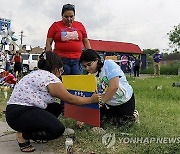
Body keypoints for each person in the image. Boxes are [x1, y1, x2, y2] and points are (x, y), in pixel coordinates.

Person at [6, 51, 101, 152]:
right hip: (22, 113)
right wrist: (91, 99)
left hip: (13, 113)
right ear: (55, 67)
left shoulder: (35, 73)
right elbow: (70, 99)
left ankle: (37, 132)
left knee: (55, 107)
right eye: (61, 70)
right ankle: (23, 135)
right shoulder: (50, 78)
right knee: (57, 130)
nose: (61, 73)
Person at [79, 49, 139, 127]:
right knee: (100, 121)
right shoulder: (90, 76)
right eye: (84, 66)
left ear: (97, 60)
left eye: (89, 64)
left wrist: (101, 103)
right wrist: (84, 117)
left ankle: (134, 115)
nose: (87, 68)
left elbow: (114, 87)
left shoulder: (108, 64)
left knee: (123, 125)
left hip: (124, 100)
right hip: (108, 103)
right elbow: (92, 96)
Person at [46, 3, 91, 75]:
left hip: (77, 60)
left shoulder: (80, 25)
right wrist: (49, 58)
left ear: (74, 16)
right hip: (61, 59)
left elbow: (86, 42)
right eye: (66, 17)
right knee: (64, 80)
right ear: (62, 16)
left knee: (77, 81)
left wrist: (90, 55)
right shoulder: (55, 26)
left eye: (71, 16)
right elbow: (48, 43)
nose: (69, 19)